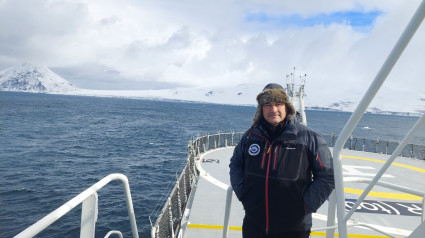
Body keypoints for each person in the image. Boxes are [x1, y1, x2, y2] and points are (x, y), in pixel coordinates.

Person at [229, 83, 335, 238]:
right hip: (254, 225)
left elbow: (327, 175)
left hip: (294, 228)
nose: (273, 110)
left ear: (287, 107)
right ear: (261, 109)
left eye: (278, 104)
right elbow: (236, 165)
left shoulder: (309, 138)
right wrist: (244, 194)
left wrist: (305, 206)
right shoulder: (251, 136)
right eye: (267, 105)